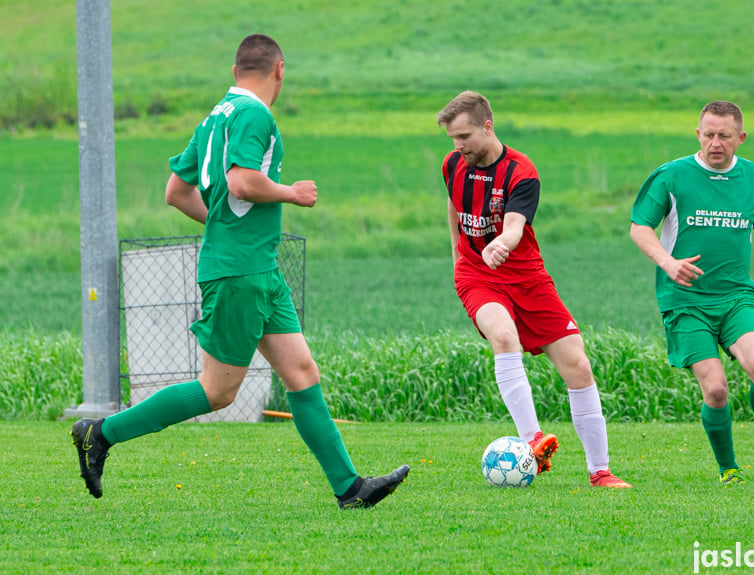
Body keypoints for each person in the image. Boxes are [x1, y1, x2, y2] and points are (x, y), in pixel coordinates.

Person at [71, 34, 409, 508]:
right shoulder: (255, 115)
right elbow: (241, 181)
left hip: (257, 268)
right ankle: (100, 433)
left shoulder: (216, 116)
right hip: (240, 271)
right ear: (280, 70)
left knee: (301, 372)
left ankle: (350, 489)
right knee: (218, 391)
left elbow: (175, 190)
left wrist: (222, 227)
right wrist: (292, 192)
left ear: (235, 72)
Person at [437, 91, 631, 488]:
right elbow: (454, 209)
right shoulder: (453, 164)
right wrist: (458, 256)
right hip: (477, 274)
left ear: (487, 127)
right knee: (503, 335)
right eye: (453, 139)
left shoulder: (521, 172)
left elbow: (514, 225)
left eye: (464, 137)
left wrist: (502, 243)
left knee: (578, 366)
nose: (458, 147)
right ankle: (533, 441)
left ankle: (601, 472)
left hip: (527, 276)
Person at [630, 100, 754, 485]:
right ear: (698, 134)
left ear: (739, 138)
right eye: (708, 134)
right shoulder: (671, 176)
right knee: (716, 390)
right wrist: (667, 262)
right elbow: (639, 227)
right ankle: (729, 470)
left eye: (724, 136)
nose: (715, 142)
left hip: (736, 297)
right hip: (685, 302)